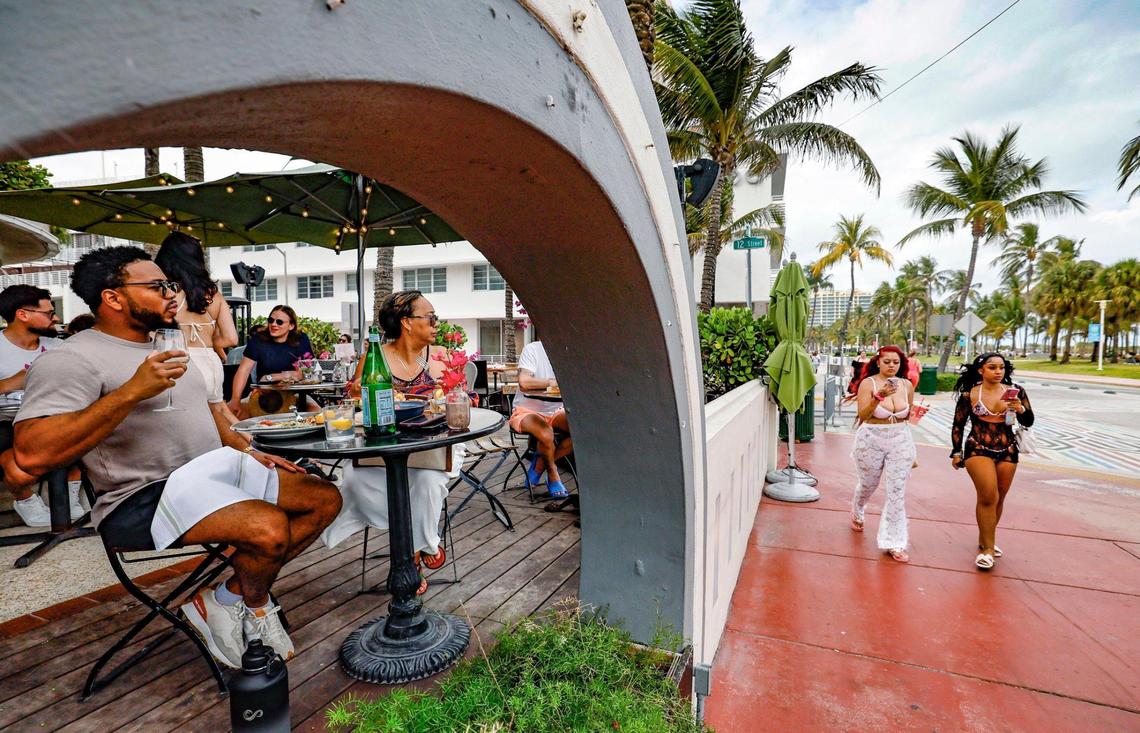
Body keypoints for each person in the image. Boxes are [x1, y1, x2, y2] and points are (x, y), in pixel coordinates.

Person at [4, 246, 341, 668]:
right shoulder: (71, 358)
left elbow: (208, 410)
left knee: (323, 497)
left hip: (211, 475)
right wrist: (131, 392)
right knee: (267, 527)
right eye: (158, 286)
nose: (171, 294)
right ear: (113, 297)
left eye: (171, 285)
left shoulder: (166, 343)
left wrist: (248, 450)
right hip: (140, 497)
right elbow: (32, 453)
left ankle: (226, 599)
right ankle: (254, 605)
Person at [322, 290, 458, 594]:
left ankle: (411, 555)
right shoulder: (375, 358)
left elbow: (458, 402)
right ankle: (424, 543)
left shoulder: (438, 357)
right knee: (355, 481)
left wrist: (451, 394)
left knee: (427, 481)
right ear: (407, 322)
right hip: (382, 447)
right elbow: (354, 403)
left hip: (432, 446)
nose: (436, 323)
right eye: (431, 317)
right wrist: (356, 392)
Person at [0, 284, 80, 526]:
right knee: (16, 470)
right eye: (48, 313)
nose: (55, 318)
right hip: (7, 421)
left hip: (54, 418)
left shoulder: (59, 348)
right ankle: (26, 499)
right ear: (22, 314)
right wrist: (11, 383)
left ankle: (68, 497)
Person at [950, 353, 1034, 571]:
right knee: (988, 496)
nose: (998, 371)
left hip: (1008, 448)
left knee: (1000, 497)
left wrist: (1020, 408)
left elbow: (1029, 421)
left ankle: (986, 538)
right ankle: (987, 550)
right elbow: (958, 425)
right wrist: (956, 452)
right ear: (981, 370)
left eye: (1001, 367)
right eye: (992, 367)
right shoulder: (970, 394)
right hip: (977, 447)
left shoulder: (1015, 391)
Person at [155, 232, 238, 415]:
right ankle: (250, 435)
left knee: (183, 417)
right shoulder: (214, 295)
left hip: (179, 362)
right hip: (211, 363)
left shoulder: (167, 293)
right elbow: (231, 339)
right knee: (219, 413)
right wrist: (212, 342)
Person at [849, 345, 916, 563]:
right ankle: (858, 508)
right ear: (878, 362)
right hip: (871, 437)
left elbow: (908, 416)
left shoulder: (906, 385)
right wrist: (879, 396)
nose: (891, 366)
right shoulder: (868, 383)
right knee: (868, 484)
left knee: (896, 490)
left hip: (900, 439)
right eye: (887, 362)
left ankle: (894, 541)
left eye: (896, 362)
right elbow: (863, 415)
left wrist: (917, 414)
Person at [510, 338, 572, 499]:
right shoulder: (533, 349)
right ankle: (553, 473)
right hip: (527, 410)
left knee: (582, 430)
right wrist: (554, 382)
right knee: (546, 433)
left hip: (556, 409)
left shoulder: (569, 350)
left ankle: (540, 464)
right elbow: (524, 382)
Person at [227, 305, 312, 418]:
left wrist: (271, 377)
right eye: (271, 320)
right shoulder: (259, 339)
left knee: (318, 413)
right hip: (264, 396)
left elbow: (307, 372)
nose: (274, 324)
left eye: (279, 322)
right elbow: (244, 370)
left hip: (294, 394)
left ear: (291, 326)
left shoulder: (301, 339)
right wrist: (235, 399)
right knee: (228, 414)